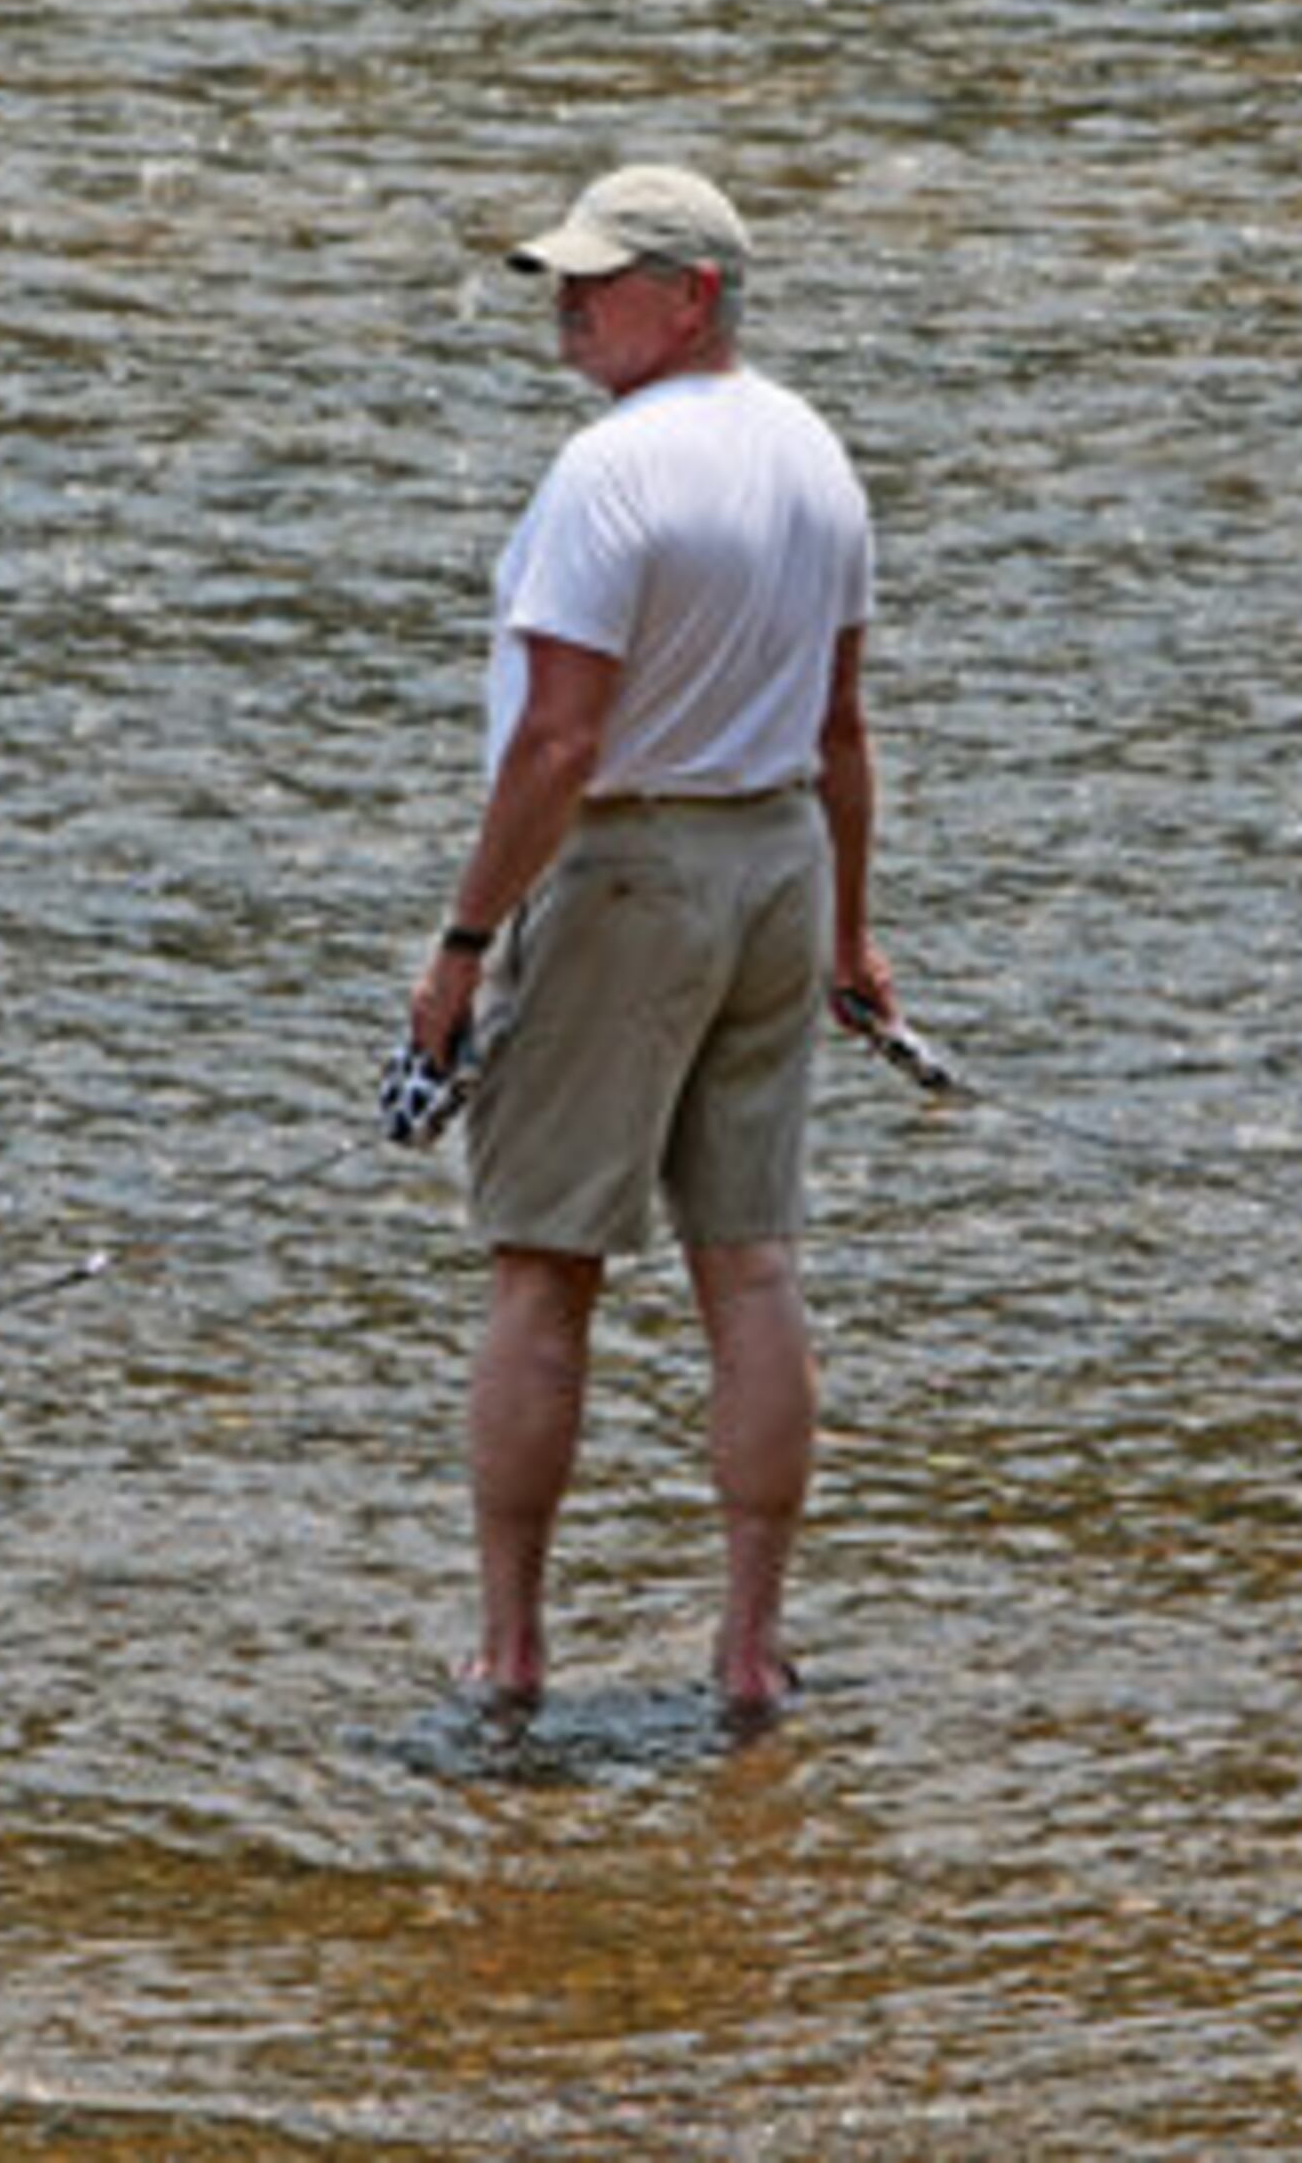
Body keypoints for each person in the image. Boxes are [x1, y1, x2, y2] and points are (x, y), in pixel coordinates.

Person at [403, 162, 893, 1718]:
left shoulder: (606, 473)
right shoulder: (817, 455)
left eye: (598, 281)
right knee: (748, 1267)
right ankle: (751, 1655)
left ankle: (512, 1652)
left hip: (626, 877)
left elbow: (556, 743)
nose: (565, 303)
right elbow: (840, 731)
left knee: (542, 1272)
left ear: (694, 296)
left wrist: (466, 944)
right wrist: (854, 942)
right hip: (777, 865)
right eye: (561, 276)